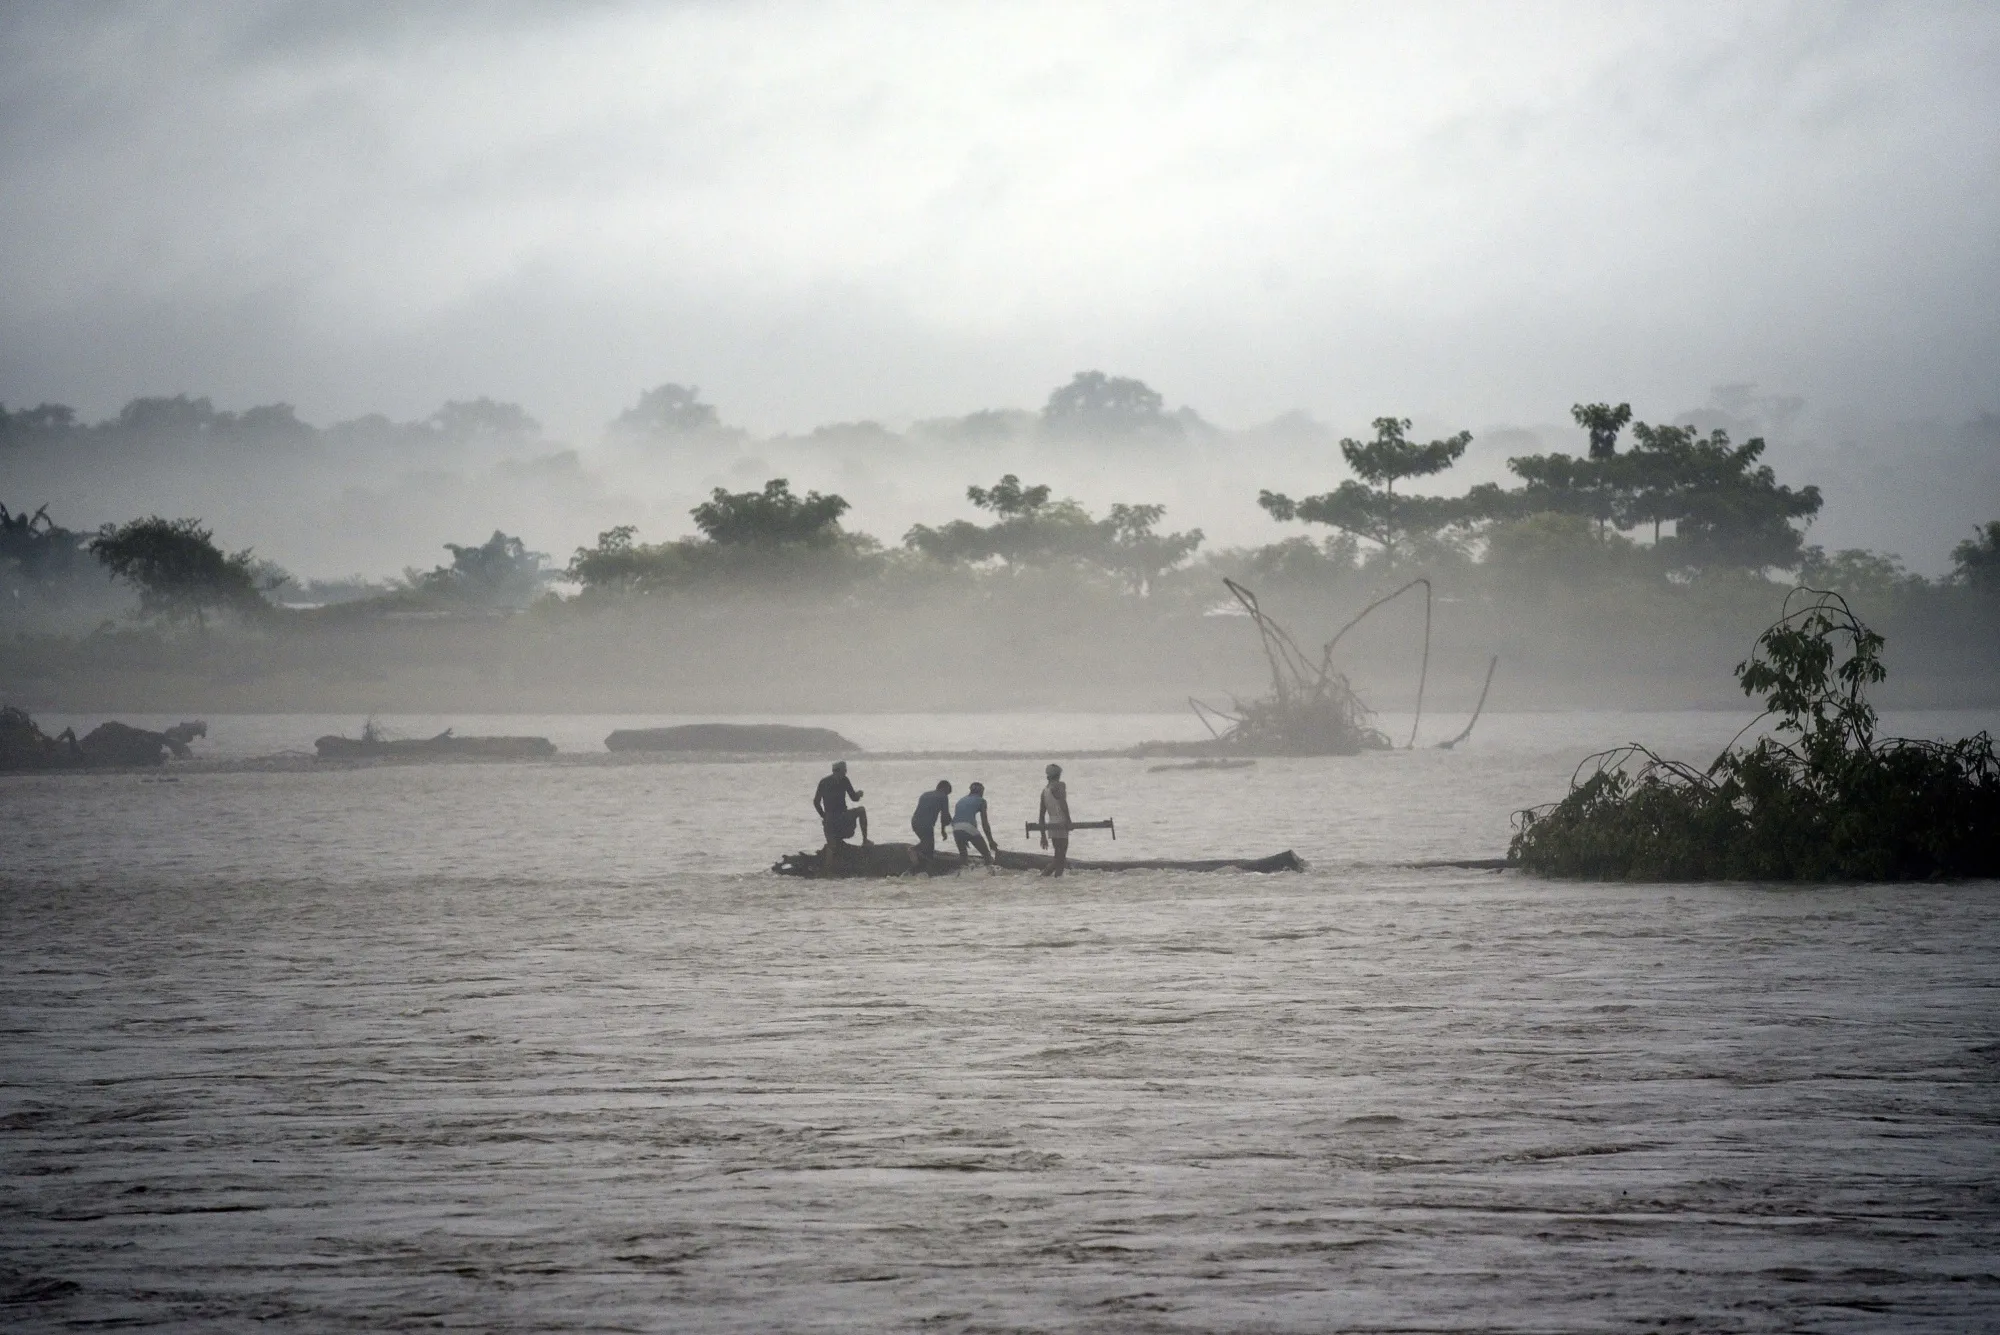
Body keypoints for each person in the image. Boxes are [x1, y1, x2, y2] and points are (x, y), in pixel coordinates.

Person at [814, 760, 868, 871]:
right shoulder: (844, 780)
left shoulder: (823, 782)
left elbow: (816, 802)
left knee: (831, 847)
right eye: (845, 771)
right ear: (842, 771)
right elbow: (854, 798)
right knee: (861, 810)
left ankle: (827, 871)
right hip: (842, 817)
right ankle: (865, 840)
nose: (845, 773)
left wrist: (824, 816)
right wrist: (859, 793)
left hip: (829, 820)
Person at [951, 781, 999, 873]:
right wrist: (991, 841)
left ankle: (962, 877)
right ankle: (991, 877)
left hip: (956, 828)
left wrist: (962, 836)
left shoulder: (961, 800)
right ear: (981, 792)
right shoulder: (981, 801)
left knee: (963, 857)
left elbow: (957, 819)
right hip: (969, 828)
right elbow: (985, 823)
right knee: (987, 856)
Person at [909, 779, 953, 872]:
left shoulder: (925, 794)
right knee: (929, 848)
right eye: (948, 792)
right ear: (944, 788)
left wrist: (943, 830)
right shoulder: (943, 796)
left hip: (915, 822)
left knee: (926, 843)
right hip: (926, 824)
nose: (947, 795)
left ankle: (918, 861)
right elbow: (945, 816)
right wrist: (947, 827)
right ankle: (914, 851)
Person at [1037, 762, 1071, 877]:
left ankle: (1056, 882)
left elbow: (1041, 815)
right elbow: (1063, 803)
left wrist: (1043, 836)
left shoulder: (1044, 791)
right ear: (1058, 775)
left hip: (1052, 825)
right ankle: (1044, 876)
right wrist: (1069, 820)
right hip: (1061, 823)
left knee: (1059, 857)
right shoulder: (1060, 785)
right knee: (1060, 859)